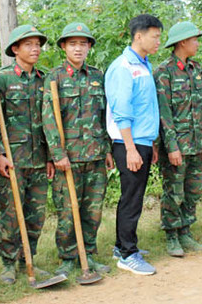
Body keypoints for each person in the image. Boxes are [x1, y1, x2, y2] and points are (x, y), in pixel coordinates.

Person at [42, 22, 115, 276]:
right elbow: (49, 118)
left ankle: (90, 253)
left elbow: (103, 115)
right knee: (66, 211)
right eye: (73, 43)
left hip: (95, 155)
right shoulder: (55, 77)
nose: (78, 48)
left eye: (83, 44)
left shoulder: (96, 76)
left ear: (89, 48)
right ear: (64, 46)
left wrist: (106, 148)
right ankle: (68, 256)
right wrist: (58, 154)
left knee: (92, 210)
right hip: (68, 158)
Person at [0, 25, 53, 284]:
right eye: (29, 44)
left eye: (37, 44)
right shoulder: (1, 78)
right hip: (12, 160)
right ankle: (8, 263)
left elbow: (48, 122)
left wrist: (48, 156)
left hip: (38, 160)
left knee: (36, 215)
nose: (35, 48)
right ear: (15, 49)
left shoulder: (43, 79)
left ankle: (29, 259)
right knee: (11, 214)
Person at [105, 14, 162, 275]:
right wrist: (130, 148)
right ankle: (128, 255)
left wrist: (151, 143)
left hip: (142, 141)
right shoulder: (123, 67)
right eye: (155, 36)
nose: (158, 41)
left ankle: (122, 245)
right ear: (138, 36)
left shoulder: (144, 64)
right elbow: (122, 111)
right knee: (131, 198)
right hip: (129, 143)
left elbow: (146, 107)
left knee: (134, 196)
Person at [156, 21, 202, 256]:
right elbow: (164, 113)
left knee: (193, 190)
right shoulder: (164, 72)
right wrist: (171, 146)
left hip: (199, 142)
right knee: (174, 191)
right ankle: (172, 235)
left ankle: (186, 232)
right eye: (194, 40)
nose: (197, 44)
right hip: (178, 145)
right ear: (182, 42)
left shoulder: (198, 70)